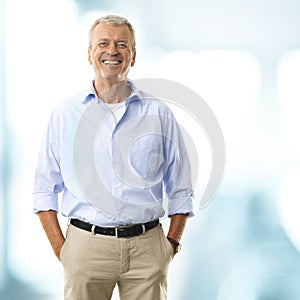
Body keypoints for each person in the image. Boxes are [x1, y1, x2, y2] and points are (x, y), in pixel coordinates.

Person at [33, 14, 194, 300]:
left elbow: (181, 188)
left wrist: (170, 245)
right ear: (89, 54)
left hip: (148, 249)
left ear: (133, 56)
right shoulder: (64, 115)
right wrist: (64, 250)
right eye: (103, 43)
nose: (112, 51)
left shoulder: (158, 114)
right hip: (85, 246)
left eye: (122, 44)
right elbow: (44, 190)